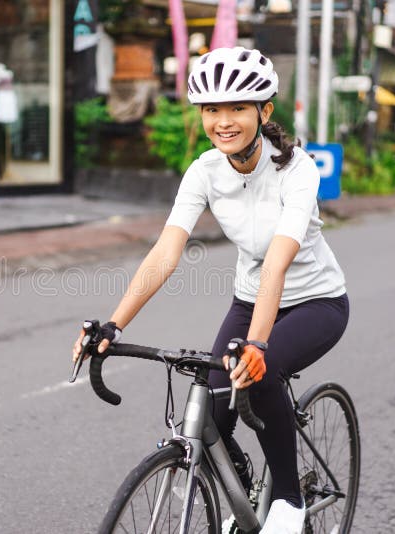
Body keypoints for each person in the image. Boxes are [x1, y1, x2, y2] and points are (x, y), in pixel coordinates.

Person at [72, 47, 349, 534]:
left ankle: (286, 499)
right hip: (249, 300)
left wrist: (259, 345)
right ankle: (243, 490)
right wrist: (114, 324)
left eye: (238, 108)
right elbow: (165, 252)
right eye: (212, 110)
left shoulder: (298, 170)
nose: (224, 121)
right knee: (214, 419)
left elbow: (278, 263)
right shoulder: (205, 172)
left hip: (316, 301)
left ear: (264, 112)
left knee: (259, 376)